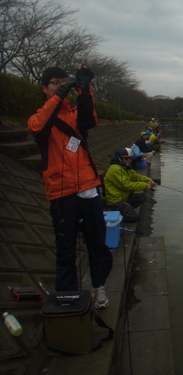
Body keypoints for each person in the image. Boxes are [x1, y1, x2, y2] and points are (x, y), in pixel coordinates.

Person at [27, 65, 113, 309]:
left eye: (62, 82)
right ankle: (68, 296)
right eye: (54, 83)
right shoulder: (37, 118)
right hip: (61, 193)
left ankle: (99, 287)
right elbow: (38, 129)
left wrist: (85, 89)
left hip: (87, 187)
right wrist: (61, 93)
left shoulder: (75, 115)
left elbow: (89, 119)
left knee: (98, 243)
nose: (59, 85)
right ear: (45, 88)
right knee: (65, 249)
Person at [104, 148, 156, 222]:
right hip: (116, 201)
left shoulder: (125, 167)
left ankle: (127, 208)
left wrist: (148, 180)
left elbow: (136, 176)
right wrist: (144, 185)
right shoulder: (116, 169)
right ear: (124, 159)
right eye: (130, 159)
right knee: (133, 218)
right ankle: (119, 212)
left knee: (142, 197)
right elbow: (126, 185)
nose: (132, 160)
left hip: (125, 198)